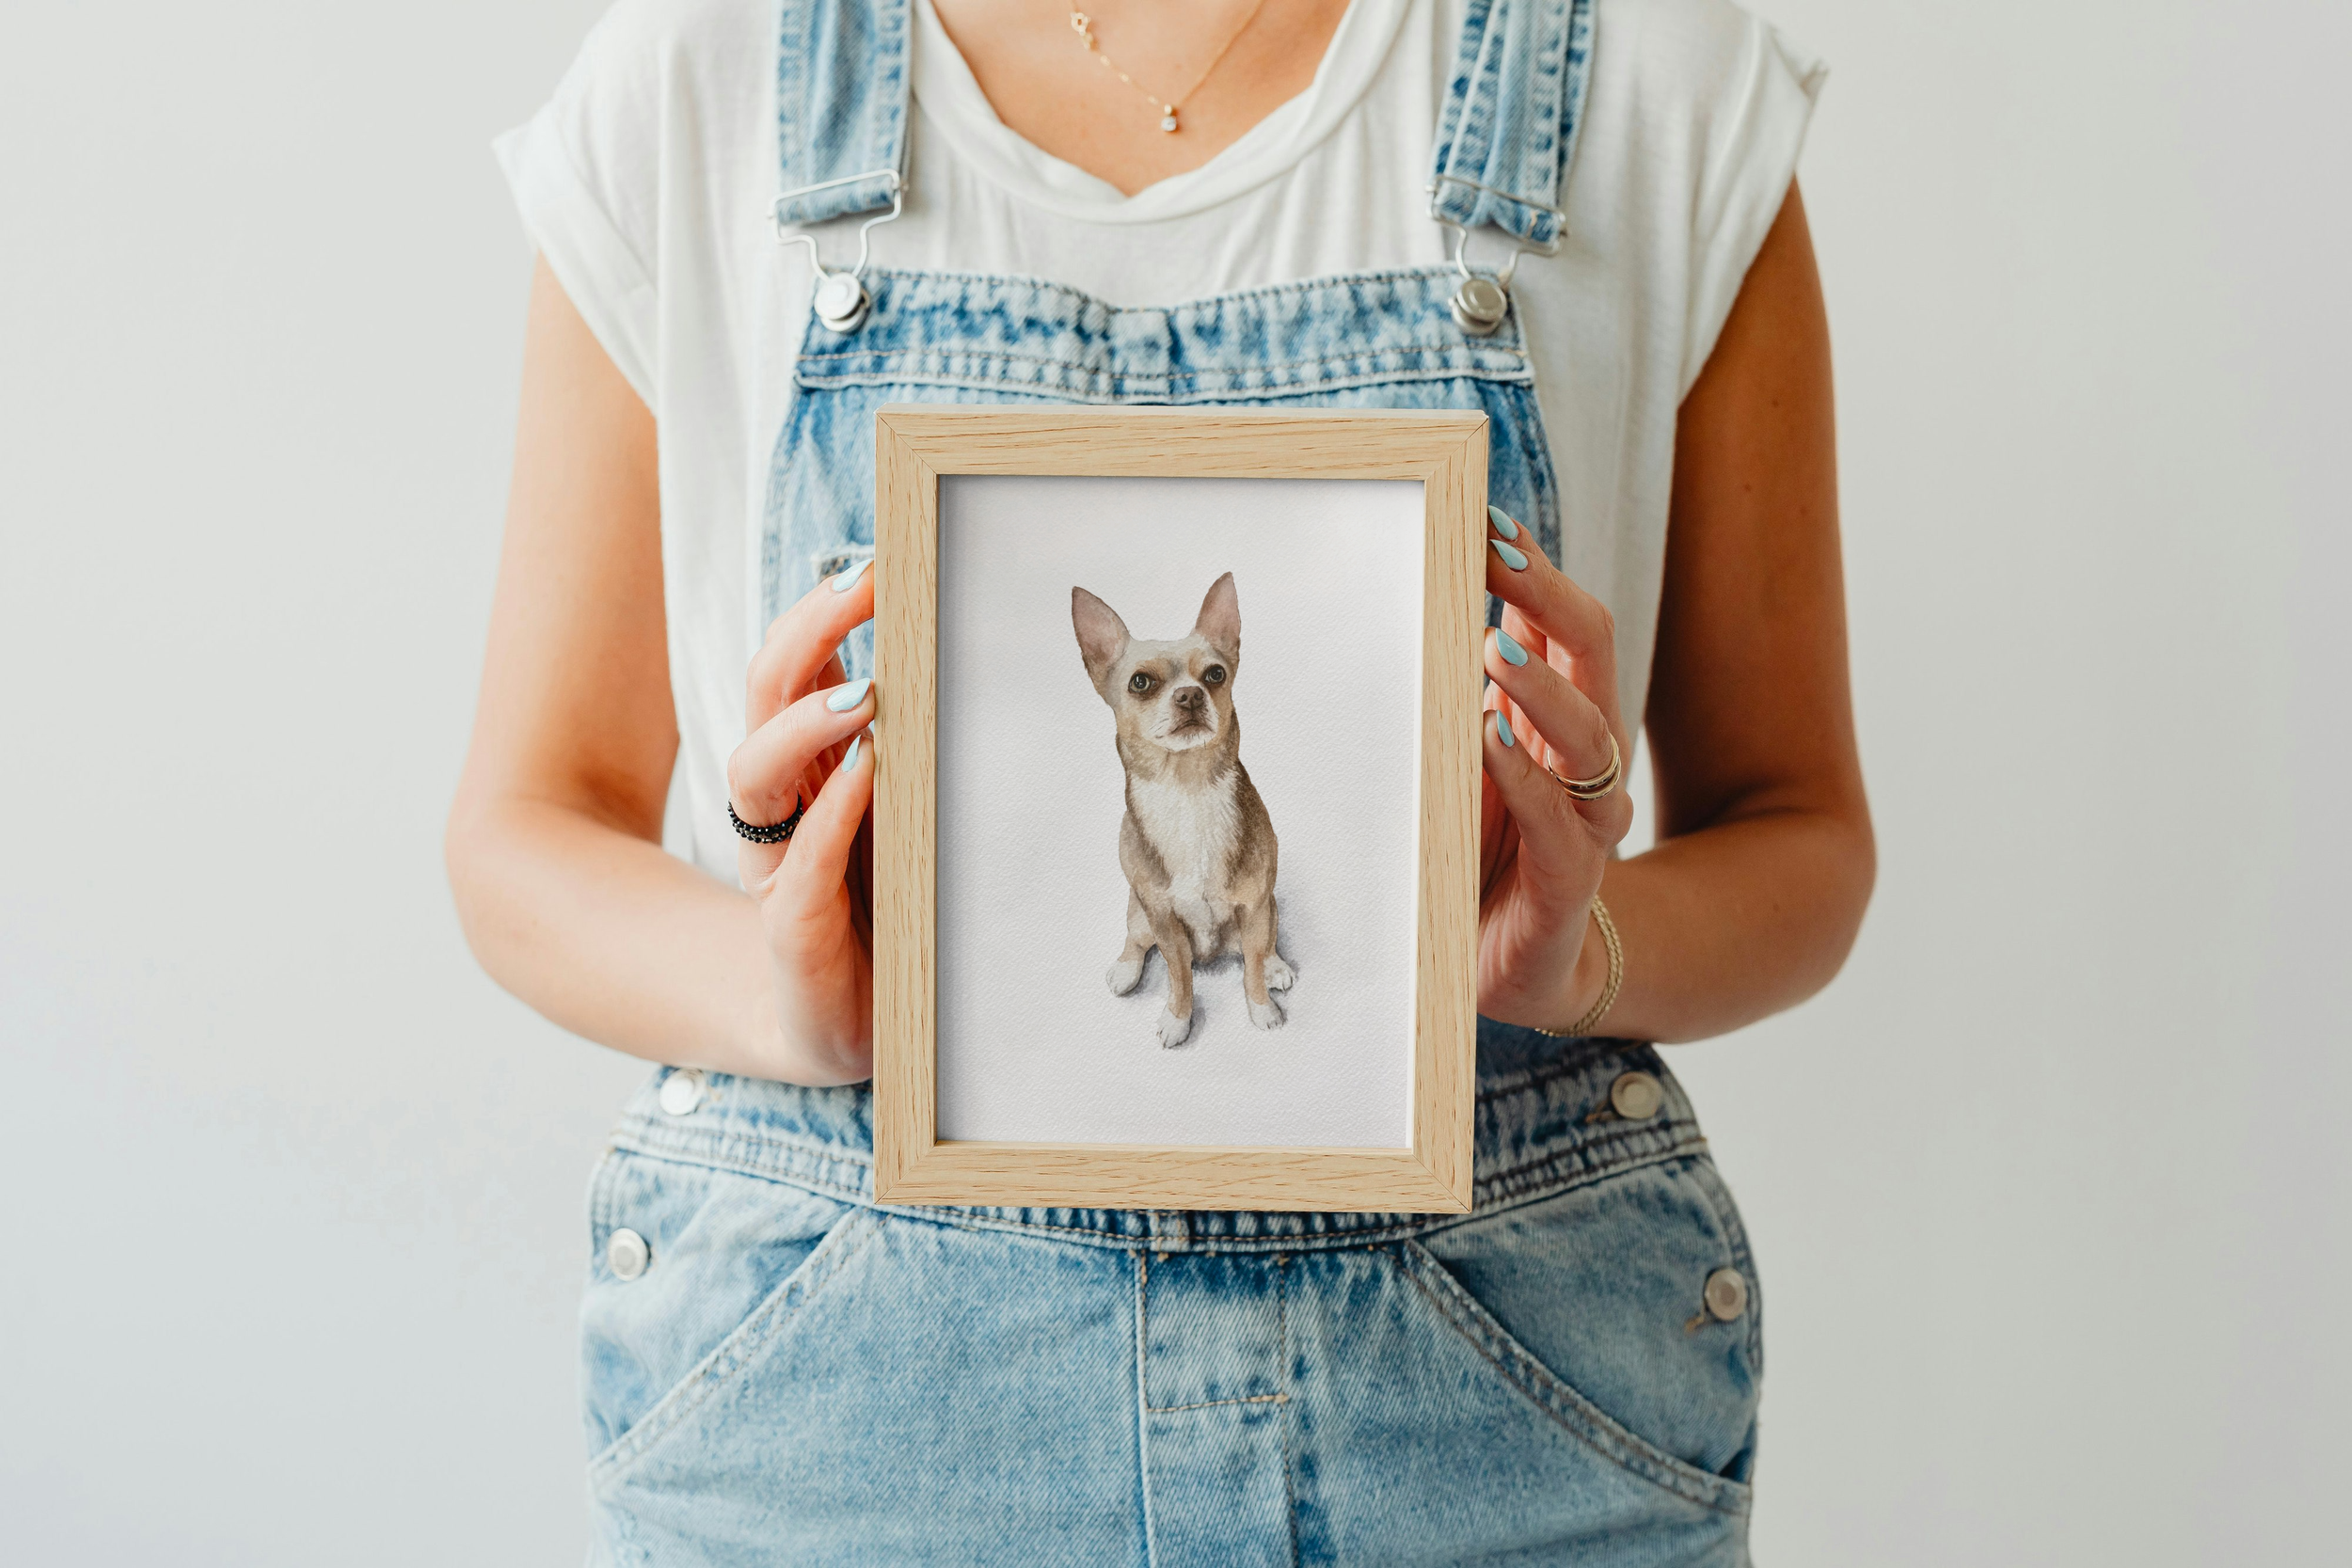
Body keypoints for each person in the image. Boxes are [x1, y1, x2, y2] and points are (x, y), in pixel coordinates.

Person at [445, 0, 1873, 1559]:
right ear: (1103, 675)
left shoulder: (1642, 71)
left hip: (1490, 1385)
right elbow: (526, 827)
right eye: (1152, 673)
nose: (1187, 691)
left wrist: (1577, 950)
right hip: (857, 1399)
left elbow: (1797, 834)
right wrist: (785, 990)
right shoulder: (708, 67)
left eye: (1210, 671)